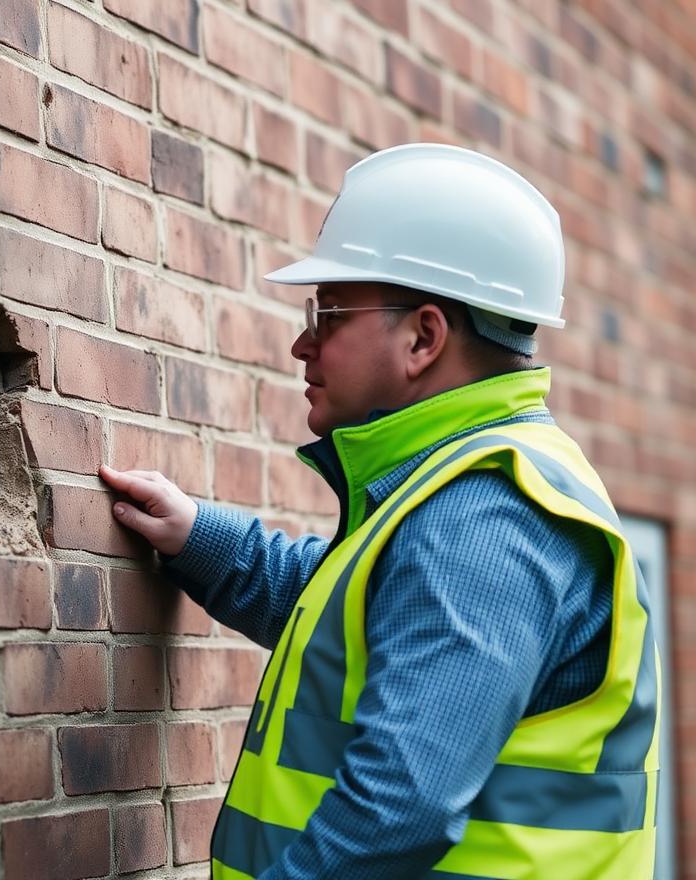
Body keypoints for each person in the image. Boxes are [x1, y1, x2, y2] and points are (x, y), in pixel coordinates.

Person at [99, 143, 660, 879]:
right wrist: (198, 537)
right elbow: (357, 611)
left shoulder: (488, 516)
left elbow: (396, 811)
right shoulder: (469, 488)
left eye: (328, 313)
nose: (304, 342)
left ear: (423, 337)